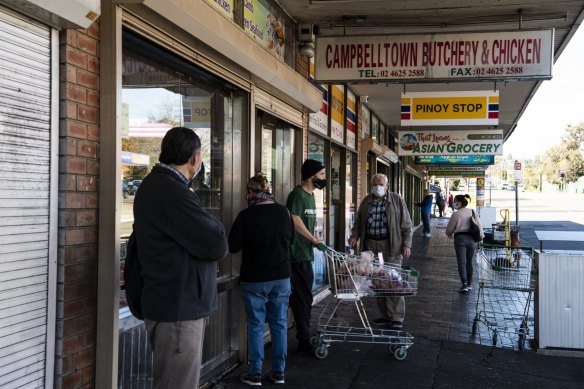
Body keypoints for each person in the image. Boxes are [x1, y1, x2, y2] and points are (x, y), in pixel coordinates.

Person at [133, 127, 228, 389]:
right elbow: (216, 244)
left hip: (171, 303)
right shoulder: (171, 191)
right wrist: (215, 223)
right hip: (177, 310)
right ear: (195, 159)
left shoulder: (159, 187)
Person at [229, 173, 294, 386]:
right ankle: (279, 372)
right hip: (281, 277)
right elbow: (290, 239)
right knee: (279, 324)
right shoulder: (284, 212)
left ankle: (255, 373)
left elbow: (233, 246)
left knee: (256, 325)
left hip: (255, 279)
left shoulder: (245, 216)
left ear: (251, 192)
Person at [348, 173, 413, 329]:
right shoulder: (366, 201)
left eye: (381, 184)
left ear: (387, 186)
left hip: (391, 246)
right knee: (377, 281)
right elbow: (357, 223)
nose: (378, 187)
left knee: (393, 281)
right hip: (370, 246)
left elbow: (406, 225)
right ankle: (385, 316)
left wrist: (406, 244)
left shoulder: (397, 200)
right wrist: (354, 236)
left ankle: (396, 317)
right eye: (375, 184)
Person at [286, 159, 326, 353]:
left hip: (306, 252)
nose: (324, 179)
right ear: (311, 176)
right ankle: (303, 338)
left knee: (304, 296)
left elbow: (306, 223)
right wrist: (312, 238)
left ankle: (303, 332)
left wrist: (314, 237)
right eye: (321, 175)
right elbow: (294, 220)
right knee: (302, 297)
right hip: (296, 254)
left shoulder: (311, 196)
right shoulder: (297, 195)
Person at [445, 194, 484, 293]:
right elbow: (479, 226)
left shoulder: (456, 214)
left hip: (460, 239)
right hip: (472, 239)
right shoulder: (472, 212)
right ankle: (470, 283)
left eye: (455, 201)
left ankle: (464, 284)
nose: (454, 203)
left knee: (462, 262)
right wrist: (481, 238)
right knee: (469, 262)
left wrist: (450, 235)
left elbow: (449, 230)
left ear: (459, 202)